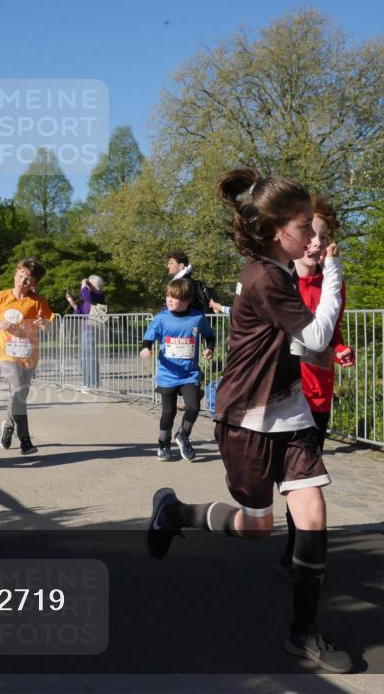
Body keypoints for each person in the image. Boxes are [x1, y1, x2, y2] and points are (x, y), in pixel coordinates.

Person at [146, 168, 350, 674]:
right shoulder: (264, 277)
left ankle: (303, 633)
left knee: (312, 510)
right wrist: (334, 275)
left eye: (316, 232)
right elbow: (317, 335)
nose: (313, 240)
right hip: (246, 416)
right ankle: (173, 513)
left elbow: (301, 342)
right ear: (275, 231)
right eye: (305, 228)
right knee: (258, 528)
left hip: (291, 409)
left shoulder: (275, 272)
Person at [278, 195, 355, 577]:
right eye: (309, 234)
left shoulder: (332, 284)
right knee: (293, 481)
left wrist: (339, 349)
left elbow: (332, 333)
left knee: (304, 481)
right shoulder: (279, 283)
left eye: (322, 238)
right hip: (286, 395)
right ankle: (293, 548)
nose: (316, 243)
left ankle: (296, 552)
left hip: (319, 395)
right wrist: (312, 354)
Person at [0, 258, 54, 456]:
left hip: (29, 355)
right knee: (17, 390)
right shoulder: (1, 296)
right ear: (15, 275)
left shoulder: (37, 301)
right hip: (7, 354)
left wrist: (43, 323)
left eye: (27, 279)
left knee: (19, 395)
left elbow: (49, 324)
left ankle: (8, 425)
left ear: (34, 283)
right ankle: (25, 440)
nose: (22, 281)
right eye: (20, 276)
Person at [140, 278, 215, 462]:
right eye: (168, 296)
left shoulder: (197, 317)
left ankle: (183, 436)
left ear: (187, 300)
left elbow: (210, 336)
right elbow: (148, 338)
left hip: (189, 374)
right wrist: (146, 348)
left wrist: (209, 348)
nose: (169, 300)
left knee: (193, 407)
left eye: (174, 297)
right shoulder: (161, 318)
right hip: (167, 374)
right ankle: (163, 444)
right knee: (168, 412)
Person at [65, 275, 106, 391]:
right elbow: (80, 313)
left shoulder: (98, 295)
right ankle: (89, 383)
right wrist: (72, 303)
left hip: (92, 329)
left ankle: (92, 384)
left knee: (89, 357)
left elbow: (86, 295)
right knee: (85, 358)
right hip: (86, 330)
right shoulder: (90, 299)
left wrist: (84, 284)